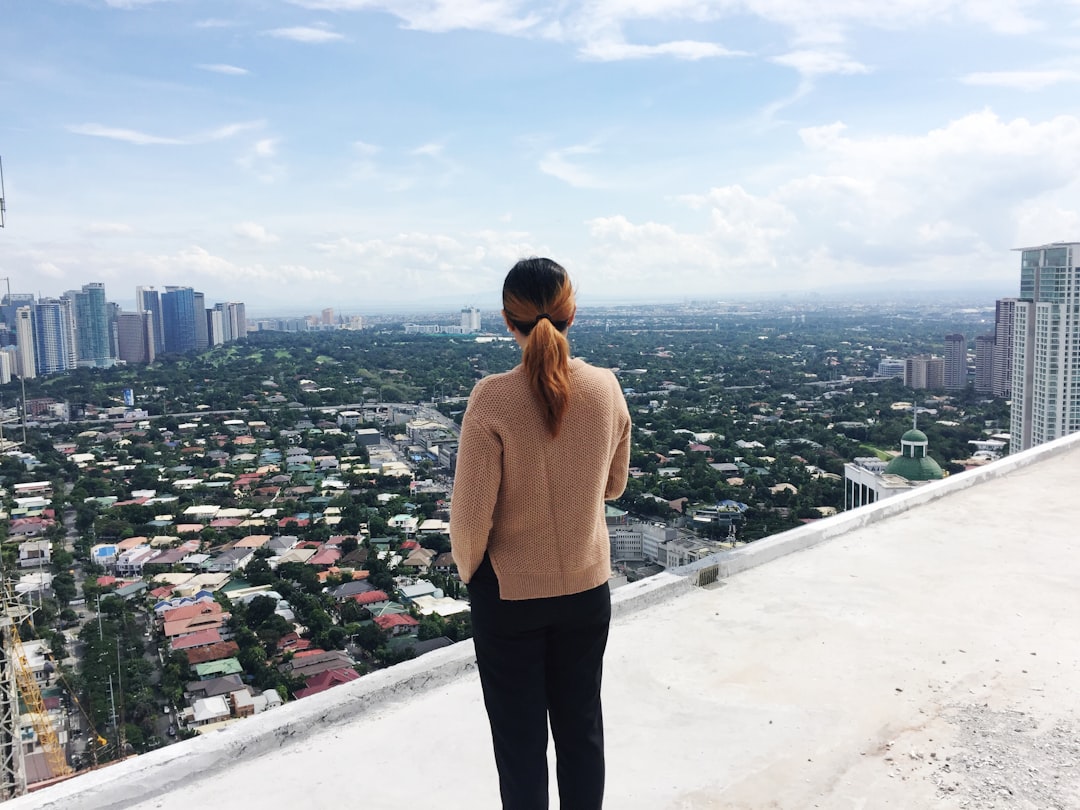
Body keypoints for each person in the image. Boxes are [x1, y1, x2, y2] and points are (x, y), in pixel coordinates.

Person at [449, 257, 632, 810]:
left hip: (509, 595)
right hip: (586, 584)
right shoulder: (604, 388)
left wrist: (471, 573)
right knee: (582, 731)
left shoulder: (493, 397)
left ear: (508, 320)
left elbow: (470, 515)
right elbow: (614, 486)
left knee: (520, 745)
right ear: (572, 313)